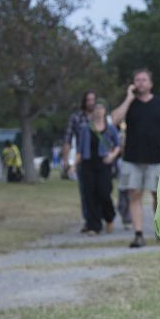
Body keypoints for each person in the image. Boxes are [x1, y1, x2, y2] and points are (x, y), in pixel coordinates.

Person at [111, 69, 160, 248]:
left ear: (150, 83)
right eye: (137, 80)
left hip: (156, 158)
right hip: (132, 159)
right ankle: (138, 234)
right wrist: (128, 98)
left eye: (144, 80)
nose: (140, 83)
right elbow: (113, 121)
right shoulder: (130, 104)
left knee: (158, 196)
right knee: (134, 196)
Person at [77, 100, 121, 234]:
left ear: (105, 111)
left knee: (104, 193)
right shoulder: (85, 128)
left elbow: (118, 145)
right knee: (90, 195)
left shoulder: (110, 128)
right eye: (96, 108)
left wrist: (112, 156)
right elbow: (80, 149)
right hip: (88, 164)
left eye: (101, 108)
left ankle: (109, 217)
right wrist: (73, 165)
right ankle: (94, 226)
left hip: (104, 164)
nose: (98, 111)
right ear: (92, 111)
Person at [63, 91, 97, 223]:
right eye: (88, 100)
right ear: (84, 101)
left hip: (99, 160)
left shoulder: (100, 116)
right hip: (82, 158)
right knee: (85, 192)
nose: (91, 103)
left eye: (93, 100)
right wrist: (65, 161)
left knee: (100, 191)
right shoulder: (76, 117)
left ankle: (98, 218)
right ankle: (89, 221)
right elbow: (67, 138)